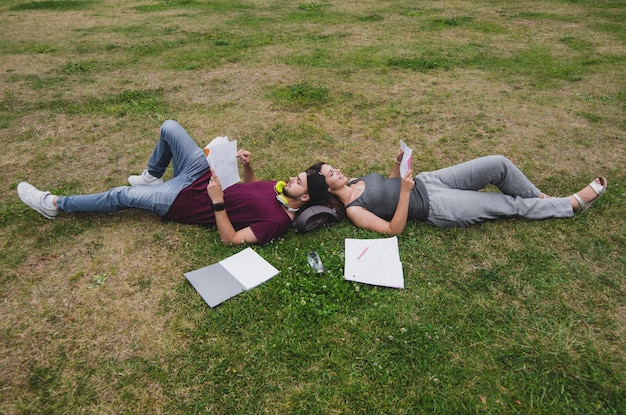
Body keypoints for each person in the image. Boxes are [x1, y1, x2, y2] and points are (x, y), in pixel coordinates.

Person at [17, 120, 329, 245]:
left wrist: (218, 201)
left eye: (297, 181)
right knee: (170, 127)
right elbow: (254, 188)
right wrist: (248, 167)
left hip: (185, 200)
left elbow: (231, 240)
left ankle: (55, 204)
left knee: (122, 194)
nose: (291, 178)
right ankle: (152, 176)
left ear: (303, 199)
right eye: (297, 175)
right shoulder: (279, 191)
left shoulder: (276, 222)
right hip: (202, 176)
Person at [309, 150, 607, 235]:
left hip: (432, 180)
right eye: (330, 173)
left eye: (333, 167)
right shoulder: (354, 211)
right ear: (326, 188)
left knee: (498, 164)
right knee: (506, 204)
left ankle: (540, 198)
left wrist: (396, 167)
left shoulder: (357, 181)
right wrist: (404, 192)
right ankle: (570, 204)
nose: (336, 170)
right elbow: (392, 228)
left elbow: (386, 185)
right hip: (437, 206)